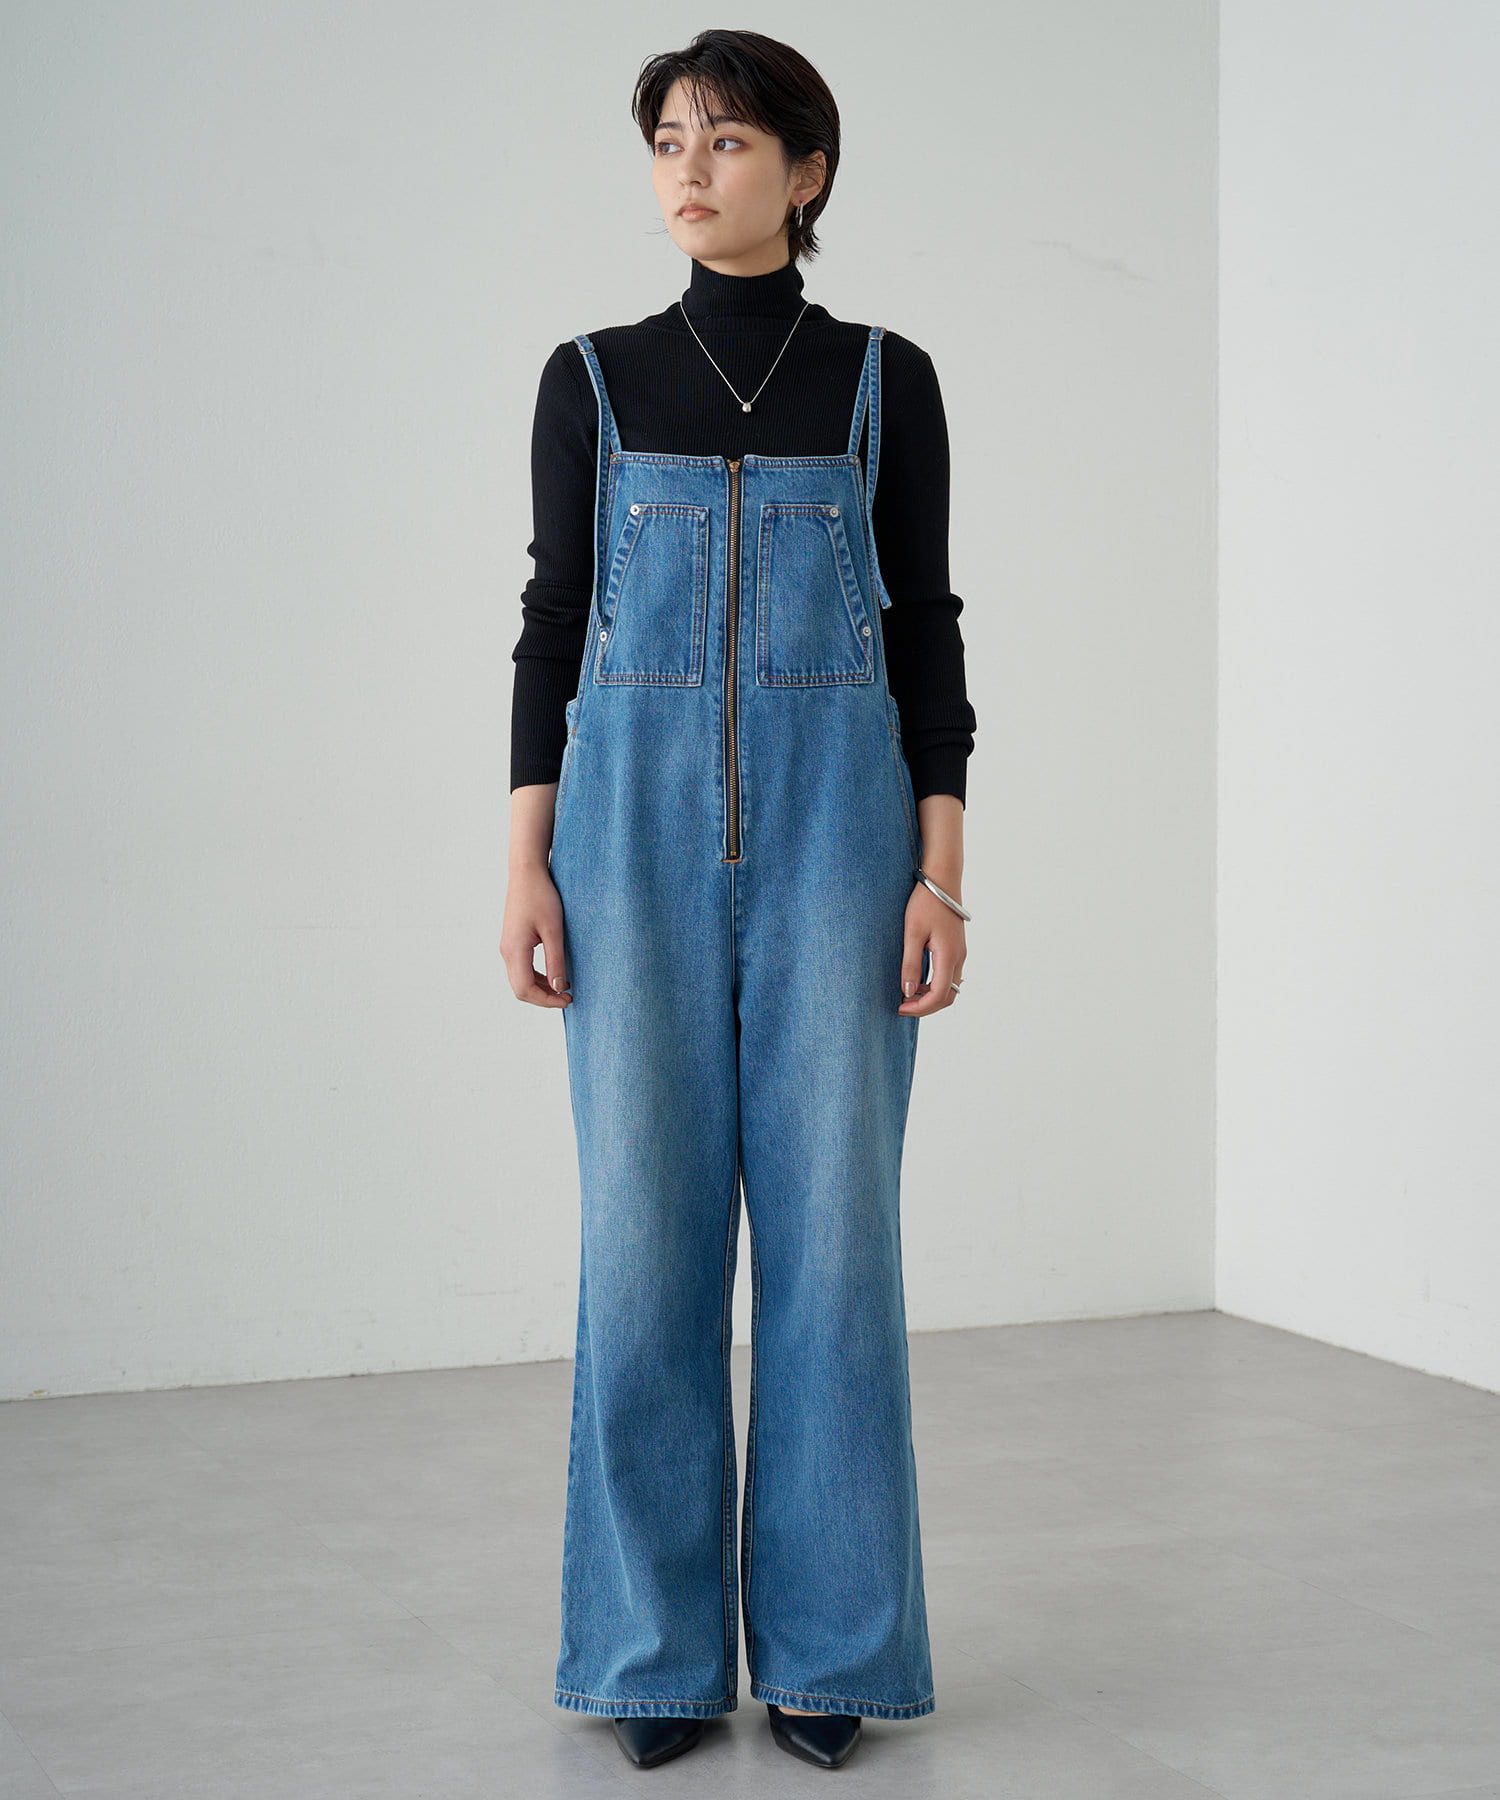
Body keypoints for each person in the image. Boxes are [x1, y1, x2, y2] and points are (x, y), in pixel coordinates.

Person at [500, 28, 976, 1773]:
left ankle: (837, 1654)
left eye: (727, 140)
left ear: (807, 171)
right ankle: (650, 1660)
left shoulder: (883, 382)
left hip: (847, 847)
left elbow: (927, 633)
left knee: (835, 1256)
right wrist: (525, 858)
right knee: (643, 1251)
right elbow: (554, 627)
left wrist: (941, 876)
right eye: (668, 143)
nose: (690, 171)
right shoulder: (593, 379)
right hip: (622, 851)